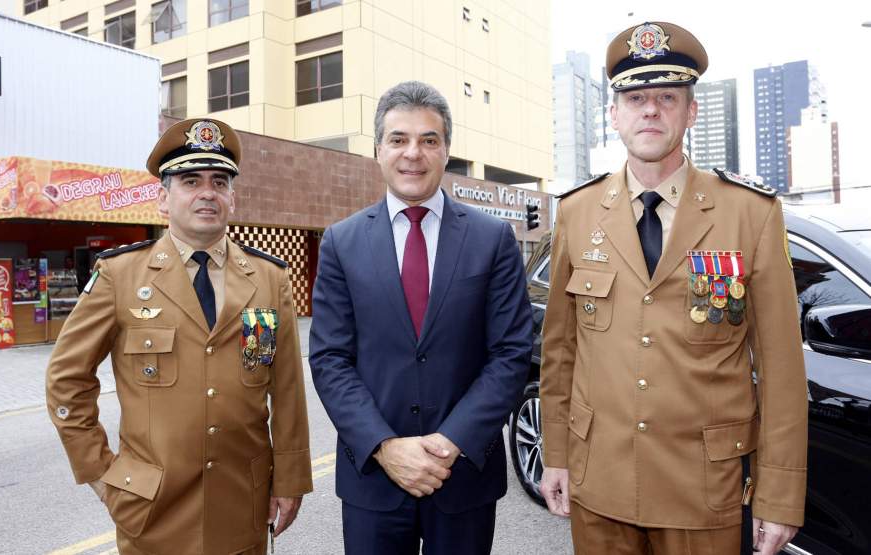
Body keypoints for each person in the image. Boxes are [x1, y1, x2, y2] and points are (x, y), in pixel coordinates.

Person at [538, 21, 807, 555]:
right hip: (601, 485)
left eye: (667, 96)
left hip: (702, 492)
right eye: (636, 98)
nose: (651, 110)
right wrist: (557, 454)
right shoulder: (576, 212)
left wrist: (779, 494)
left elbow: (780, 367)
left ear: (692, 111)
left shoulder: (749, 213)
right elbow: (561, 352)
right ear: (613, 115)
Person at [45, 118, 312, 554]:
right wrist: (98, 472)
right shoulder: (120, 275)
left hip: (242, 502)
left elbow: (285, 390)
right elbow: (66, 378)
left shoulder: (268, 279)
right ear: (163, 199)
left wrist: (290, 479)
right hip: (150, 508)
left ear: (232, 196)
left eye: (220, 181)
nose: (207, 192)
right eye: (191, 180)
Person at [309, 80, 532, 554]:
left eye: (429, 140)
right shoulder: (341, 243)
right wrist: (385, 447)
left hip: (464, 475)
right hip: (374, 478)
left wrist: (452, 441)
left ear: (446, 150)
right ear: (378, 150)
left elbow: (511, 353)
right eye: (399, 139)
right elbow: (330, 358)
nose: (414, 153)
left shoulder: (492, 240)